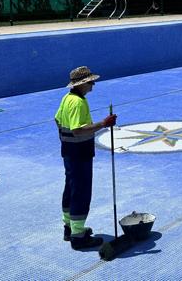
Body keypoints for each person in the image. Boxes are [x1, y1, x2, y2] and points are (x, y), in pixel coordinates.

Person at [55, 66, 117, 250]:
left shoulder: (67, 98)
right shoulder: (78, 103)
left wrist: (64, 138)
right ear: (82, 84)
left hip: (68, 151)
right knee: (81, 192)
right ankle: (78, 236)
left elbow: (58, 119)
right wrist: (103, 124)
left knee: (71, 188)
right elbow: (77, 129)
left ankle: (70, 228)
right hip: (79, 152)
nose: (93, 84)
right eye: (90, 82)